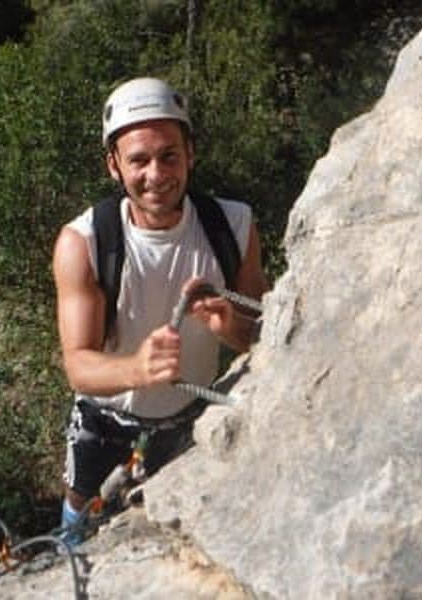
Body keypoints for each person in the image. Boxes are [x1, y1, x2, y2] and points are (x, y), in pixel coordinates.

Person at [52, 77, 269, 543]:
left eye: (169, 155)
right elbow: (78, 366)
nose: (157, 174)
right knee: (78, 517)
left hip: (192, 415)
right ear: (113, 165)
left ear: (190, 153)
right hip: (105, 418)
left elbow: (262, 337)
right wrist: (136, 367)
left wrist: (230, 326)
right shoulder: (85, 243)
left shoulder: (234, 225)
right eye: (139, 160)